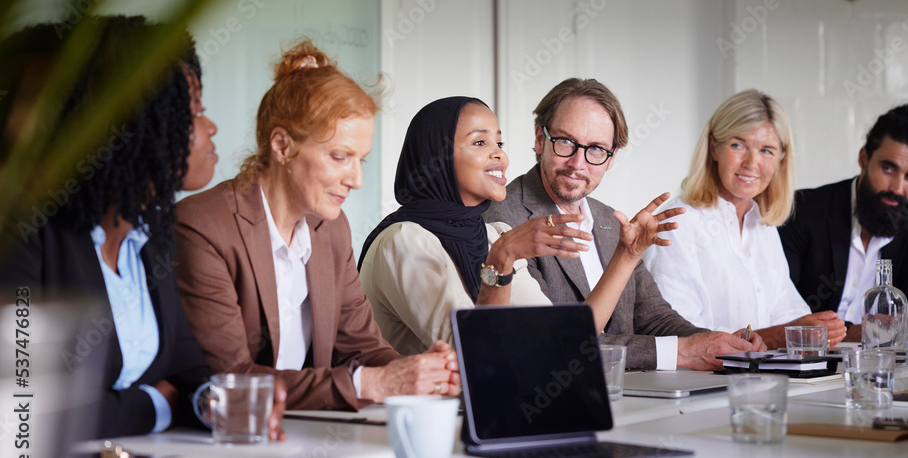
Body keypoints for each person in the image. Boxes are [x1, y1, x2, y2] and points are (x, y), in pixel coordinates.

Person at [0, 16, 287, 439]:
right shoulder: (27, 236)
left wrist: (213, 401)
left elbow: (185, 363)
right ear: (135, 126)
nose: (211, 128)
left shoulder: (148, 238)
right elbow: (26, 406)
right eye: (194, 113)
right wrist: (156, 404)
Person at [175, 40, 460, 410]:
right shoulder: (204, 226)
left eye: (362, 160)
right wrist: (373, 383)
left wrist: (422, 373)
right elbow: (229, 379)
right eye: (340, 156)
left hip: (308, 437)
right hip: (226, 444)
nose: (356, 179)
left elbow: (362, 348)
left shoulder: (332, 229)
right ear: (282, 146)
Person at [484, 78, 765, 371]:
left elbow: (655, 319)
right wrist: (682, 352)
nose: (578, 163)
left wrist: (718, 342)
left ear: (611, 158)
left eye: (596, 149)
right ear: (540, 140)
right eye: (566, 142)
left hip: (633, 395)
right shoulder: (502, 220)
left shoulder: (611, 221)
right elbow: (554, 342)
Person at [358, 97, 674, 354]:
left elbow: (562, 339)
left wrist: (628, 253)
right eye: (479, 143)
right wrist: (503, 258)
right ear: (437, 158)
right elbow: (480, 356)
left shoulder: (494, 234)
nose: (499, 155)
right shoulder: (404, 241)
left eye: (499, 142)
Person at [645, 90, 845, 349]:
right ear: (713, 147)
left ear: (781, 160)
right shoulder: (677, 223)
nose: (752, 163)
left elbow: (786, 313)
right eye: (738, 145)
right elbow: (681, 335)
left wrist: (820, 327)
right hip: (702, 384)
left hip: (757, 378)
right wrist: (781, 335)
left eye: (766, 151)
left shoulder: (762, 225)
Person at [779, 104, 908, 342]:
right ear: (863, 158)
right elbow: (779, 314)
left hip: (885, 368)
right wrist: (859, 332)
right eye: (888, 168)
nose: (898, 188)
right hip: (806, 367)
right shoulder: (802, 209)